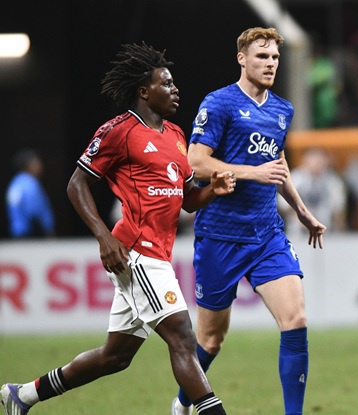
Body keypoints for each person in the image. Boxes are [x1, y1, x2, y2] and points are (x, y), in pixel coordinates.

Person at [1, 42, 234, 415]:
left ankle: (23, 395)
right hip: (135, 252)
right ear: (144, 91)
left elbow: (188, 199)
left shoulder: (176, 135)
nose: (176, 89)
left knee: (115, 356)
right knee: (182, 337)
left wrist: (213, 190)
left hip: (157, 253)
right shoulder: (119, 131)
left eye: (174, 83)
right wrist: (104, 236)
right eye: (166, 83)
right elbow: (76, 184)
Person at [171, 27, 325, 415]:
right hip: (220, 235)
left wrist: (302, 211)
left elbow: (278, 164)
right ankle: (183, 403)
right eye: (262, 56)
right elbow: (195, 162)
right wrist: (251, 173)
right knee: (211, 339)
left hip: (266, 234)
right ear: (242, 59)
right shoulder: (219, 103)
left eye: (274, 57)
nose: (270, 64)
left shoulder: (282, 110)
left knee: (296, 319)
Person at [5, 148, 55, 238]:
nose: (40, 166)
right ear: (27, 165)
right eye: (37, 163)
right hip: (31, 234)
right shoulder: (30, 183)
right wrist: (48, 228)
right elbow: (35, 209)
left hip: (16, 232)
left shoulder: (14, 183)